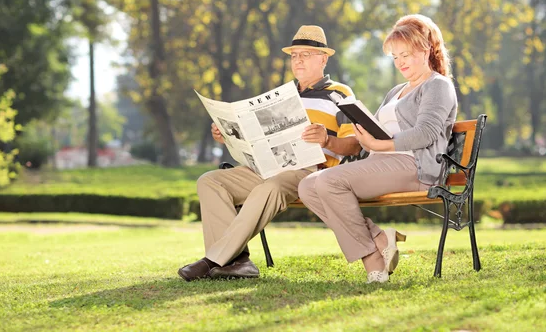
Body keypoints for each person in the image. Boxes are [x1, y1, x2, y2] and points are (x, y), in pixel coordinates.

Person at [178, 25, 361, 281]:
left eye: (305, 54)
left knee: (271, 187)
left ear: (323, 58)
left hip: (310, 172)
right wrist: (228, 136)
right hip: (266, 167)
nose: (298, 60)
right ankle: (237, 262)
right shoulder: (282, 95)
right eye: (294, 55)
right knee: (209, 181)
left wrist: (326, 139)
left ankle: (213, 260)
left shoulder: (340, 93)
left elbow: (354, 145)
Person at [298, 14, 458, 284]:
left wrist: (379, 144)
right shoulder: (396, 91)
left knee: (327, 182)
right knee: (307, 187)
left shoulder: (438, 85)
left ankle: (373, 260)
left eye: (405, 54)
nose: (400, 63)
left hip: (415, 166)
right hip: (381, 162)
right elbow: (376, 129)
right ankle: (380, 239)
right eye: (395, 57)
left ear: (425, 50)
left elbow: (426, 134)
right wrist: (362, 133)